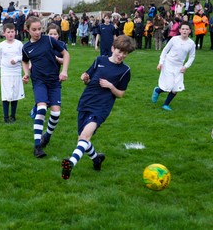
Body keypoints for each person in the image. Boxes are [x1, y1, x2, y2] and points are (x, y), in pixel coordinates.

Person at [61, 35, 136, 180]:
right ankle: (96, 159)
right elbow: (88, 78)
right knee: (82, 140)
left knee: (85, 136)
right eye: (119, 51)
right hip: (86, 101)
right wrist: (85, 78)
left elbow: (120, 94)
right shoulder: (100, 60)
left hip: (101, 107)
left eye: (125, 53)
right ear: (113, 48)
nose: (121, 55)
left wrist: (110, 86)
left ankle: (70, 163)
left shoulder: (125, 71)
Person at [22, 16, 70, 158]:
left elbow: (65, 54)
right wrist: (26, 73)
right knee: (42, 108)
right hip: (39, 81)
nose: (37, 32)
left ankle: (47, 136)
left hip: (54, 81)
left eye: (39, 29)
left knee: (55, 113)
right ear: (27, 30)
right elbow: (24, 62)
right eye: (34, 30)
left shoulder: (49, 40)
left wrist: (64, 71)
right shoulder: (26, 47)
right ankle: (37, 146)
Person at [151, 22, 196, 111]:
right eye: (183, 29)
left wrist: (185, 66)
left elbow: (192, 57)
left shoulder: (191, 43)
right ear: (179, 30)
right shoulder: (174, 39)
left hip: (179, 67)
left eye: (187, 29)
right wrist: (161, 62)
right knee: (169, 86)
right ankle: (157, 91)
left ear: (190, 31)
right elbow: (165, 50)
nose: (185, 31)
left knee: (176, 88)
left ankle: (165, 105)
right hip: (169, 64)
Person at [0, 23, 25, 123]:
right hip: (5, 73)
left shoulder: (19, 44)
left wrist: (16, 59)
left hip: (16, 72)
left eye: (12, 32)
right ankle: (6, 117)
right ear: (4, 33)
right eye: (8, 32)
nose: (11, 34)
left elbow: (24, 57)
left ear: (15, 32)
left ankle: (13, 115)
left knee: (15, 94)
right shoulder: (1, 45)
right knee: (6, 95)